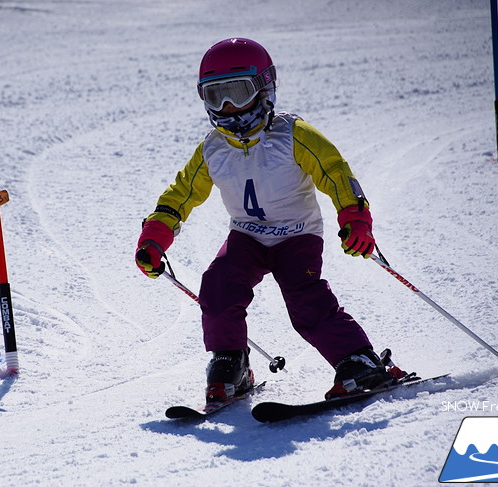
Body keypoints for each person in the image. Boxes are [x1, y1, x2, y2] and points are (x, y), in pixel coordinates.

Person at [135, 38, 394, 402]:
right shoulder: (213, 148)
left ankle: (358, 360)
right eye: (215, 96)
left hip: (296, 235)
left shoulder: (294, 135)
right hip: (247, 237)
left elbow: (336, 174)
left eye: (238, 93)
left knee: (305, 299)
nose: (228, 107)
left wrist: (355, 219)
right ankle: (231, 362)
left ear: (264, 87)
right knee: (218, 287)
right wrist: (154, 238)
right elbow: (180, 194)